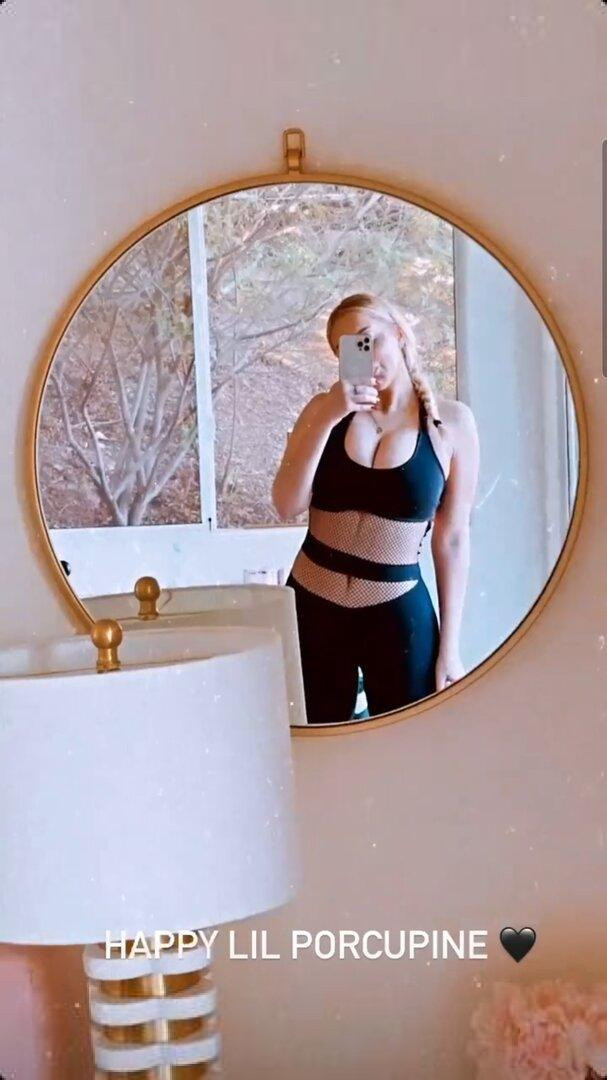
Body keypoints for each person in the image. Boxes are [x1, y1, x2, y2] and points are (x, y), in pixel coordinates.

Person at [272, 293, 479, 724]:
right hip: (311, 608)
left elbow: (453, 538)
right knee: (314, 746)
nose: (367, 358)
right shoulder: (323, 411)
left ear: (399, 333)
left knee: (408, 747)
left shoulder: (452, 424)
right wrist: (330, 414)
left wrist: (450, 648)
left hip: (399, 614)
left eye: (370, 339)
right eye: (348, 349)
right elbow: (287, 505)